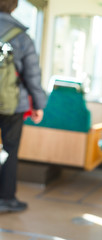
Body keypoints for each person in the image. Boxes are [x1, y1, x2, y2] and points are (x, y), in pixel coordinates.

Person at [0, 0, 47, 213]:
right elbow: (32, 75)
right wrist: (38, 104)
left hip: (12, 103)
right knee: (9, 149)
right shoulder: (21, 36)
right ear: (15, 6)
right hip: (13, 104)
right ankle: (6, 199)